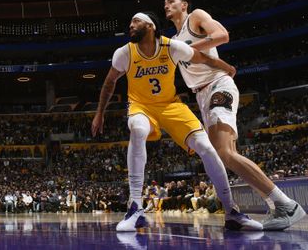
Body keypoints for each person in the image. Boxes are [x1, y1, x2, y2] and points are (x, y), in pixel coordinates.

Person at [91, 12, 262, 232]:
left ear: (150, 26)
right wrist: (99, 113)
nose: (130, 25)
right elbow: (109, 84)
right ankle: (135, 208)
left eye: (135, 21)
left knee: (206, 147)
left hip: (171, 105)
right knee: (138, 128)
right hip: (141, 106)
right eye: (130, 22)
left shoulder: (171, 46)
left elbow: (203, 57)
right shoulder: (124, 52)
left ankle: (232, 212)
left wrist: (224, 66)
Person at [164, 0, 305, 229]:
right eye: (165, 3)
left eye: (171, 1)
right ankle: (275, 207)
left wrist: (188, 48)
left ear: (184, 5)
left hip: (218, 85)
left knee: (225, 152)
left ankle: (287, 205)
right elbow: (202, 61)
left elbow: (222, 36)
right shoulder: (173, 40)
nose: (166, 5)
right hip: (201, 95)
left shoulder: (195, 17)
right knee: (227, 156)